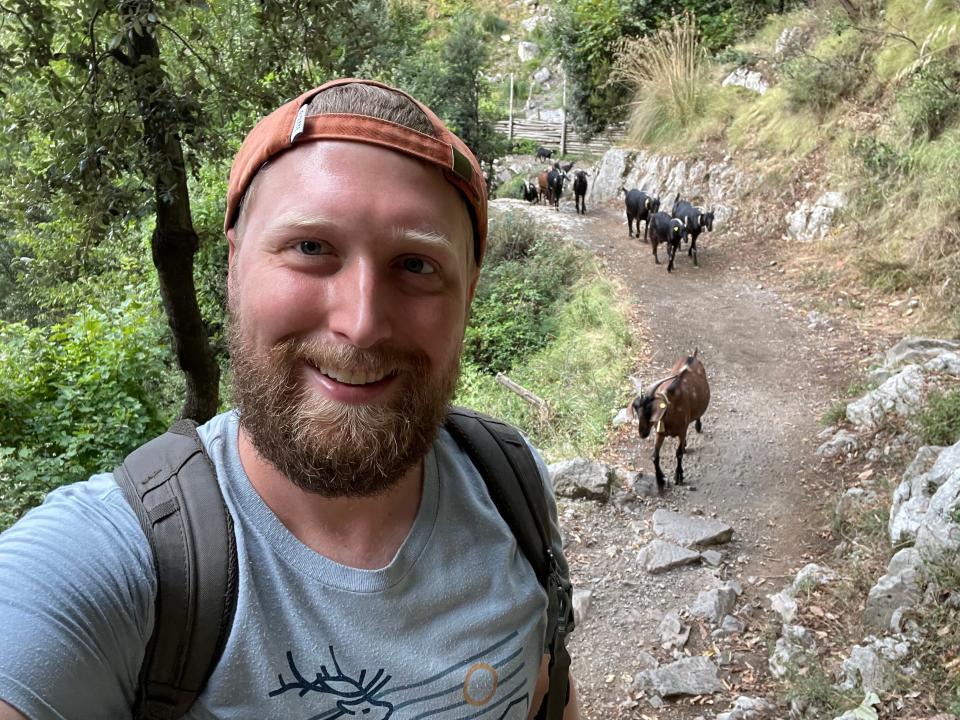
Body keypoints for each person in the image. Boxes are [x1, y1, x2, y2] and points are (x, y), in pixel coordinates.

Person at [0, 78, 579, 720]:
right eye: (310, 249)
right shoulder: (115, 564)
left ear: (468, 294)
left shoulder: (511, 483)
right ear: (233, 267)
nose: (361, 323)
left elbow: (547, 689)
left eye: (416, 265)